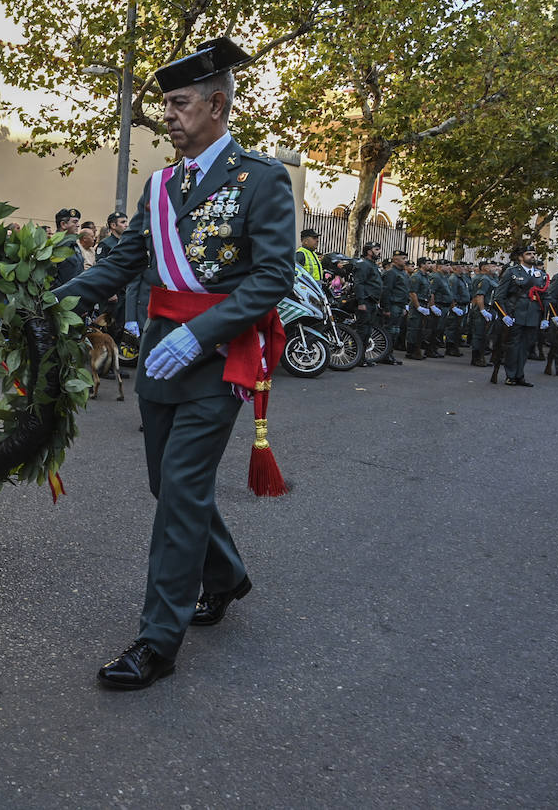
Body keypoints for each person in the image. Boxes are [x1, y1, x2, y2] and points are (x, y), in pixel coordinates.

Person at [54, 37, 294, 690]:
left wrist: (204, 333)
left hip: (217, 358)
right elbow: (121, 263)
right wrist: (53, 303)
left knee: (180, 494)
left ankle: (157, 640)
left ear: (217, 105)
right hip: (162, 354)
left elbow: (272, 276)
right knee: (168, 485)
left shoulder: (263, 179)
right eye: (164, 104)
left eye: (179, 103)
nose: (167, 115)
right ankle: (227, 576)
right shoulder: (159, 186)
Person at [493, 246, 545, 387]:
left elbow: (545, 297)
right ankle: (510, 376)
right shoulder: (512, 272)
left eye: (534, 253)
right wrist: (504, 315)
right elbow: (499, 297)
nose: (533, 256)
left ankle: (519, 375)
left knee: (525, 348)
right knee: (513, 347)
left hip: (532, 316)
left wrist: (545, 317)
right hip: (515, 314)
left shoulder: (541, 274)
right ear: (521, 257)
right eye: (529, 254)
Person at [352, 240, 383, 367]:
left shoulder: (372, 264)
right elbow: (359, 283)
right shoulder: (364, 265)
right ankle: (357, 357)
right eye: (376, 249)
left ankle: (362, 357)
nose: (379, 252)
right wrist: (361, 301)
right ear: (369, 251)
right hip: (366, 301)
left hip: (372, 301)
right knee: (363, 331)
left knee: (368, 331)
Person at [377, 249, 408, 365]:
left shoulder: (403, 273)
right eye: (403, 258)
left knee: (396, 331)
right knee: (390, 331)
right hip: (393, 305)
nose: (405, 261)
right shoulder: (391, 273)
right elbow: (386, 291)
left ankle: (390, 354)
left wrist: (404, 306)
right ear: (395, 259)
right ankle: (385, 355)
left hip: (400, 305)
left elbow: (404, 291)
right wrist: (386, 308)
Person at [469, 260, 499, 367]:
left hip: (490, 308)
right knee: (479, 334)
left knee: (485, 335)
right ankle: (476, 358)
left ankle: (481, 357)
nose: (496, 268)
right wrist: (482, 310)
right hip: (483, 308)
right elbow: (480, 296)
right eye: (493, 266)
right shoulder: (485, 279)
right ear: (485, 268)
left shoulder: (493, 279)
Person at [405, 258, 433, 361]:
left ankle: (417, 350)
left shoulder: (426, 276)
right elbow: (412, 293)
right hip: (417, 304)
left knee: (420, 329)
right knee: (414, 329)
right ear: (422, 265)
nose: (430, 265)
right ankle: (411, 351)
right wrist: (418, 307)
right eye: (428, 263)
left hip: (424, 303)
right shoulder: (416, 276)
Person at [50, 208, 83, 289]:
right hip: (62, 296)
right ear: (63, 224)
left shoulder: (74, 244)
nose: (78, 225)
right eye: (75, 222)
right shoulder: (54, 245)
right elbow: (50, 277)